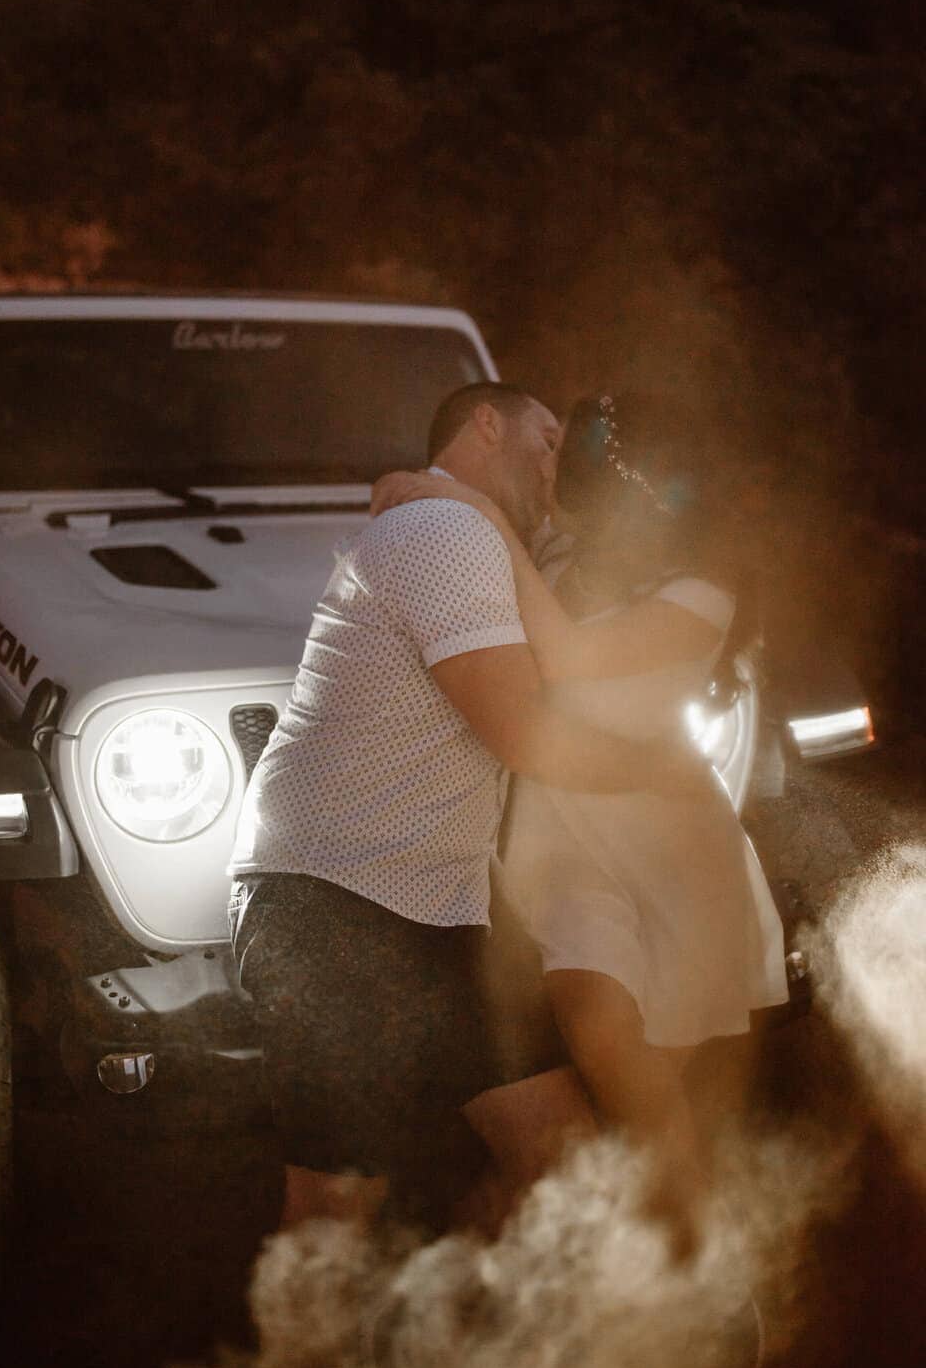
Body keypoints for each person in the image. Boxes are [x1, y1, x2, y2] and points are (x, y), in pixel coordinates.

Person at [227, 383, 711, 1233]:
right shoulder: (440, 533)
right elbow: (524, 733)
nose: (563, 465)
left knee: (558, 1159)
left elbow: (612, 541)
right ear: (487, 423)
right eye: (550, 438)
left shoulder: (469, 527)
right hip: (327, 906)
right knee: (337, 1212)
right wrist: (661, 770)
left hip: (435, 914)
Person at [371, 393, 789, 1252]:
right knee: (596, 1042)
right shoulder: (562, 556)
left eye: (576, 457)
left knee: (632, 1108)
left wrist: (472, 506)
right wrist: (432, 492)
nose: (560, 473)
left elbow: (564, 654)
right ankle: (572, 1279)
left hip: (671, 849)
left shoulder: (705, 593)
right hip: (563, 845)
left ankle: (684, 1274)